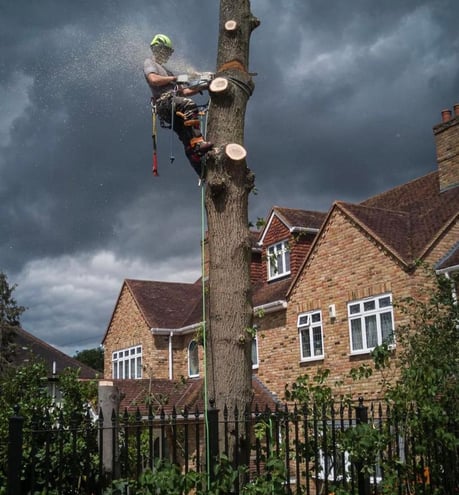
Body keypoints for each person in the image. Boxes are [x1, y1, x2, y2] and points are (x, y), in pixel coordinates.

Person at [144, 34, 212, 177]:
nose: (167, 55)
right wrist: (176, 78)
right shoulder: (150, 63)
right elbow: (153, 79)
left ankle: (201, 170)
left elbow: (183, 91)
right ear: (157, 49)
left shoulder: (168, 72)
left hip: (173, 104)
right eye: (165, 51)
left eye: (168, 53)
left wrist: (203, 86)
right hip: (165, 103)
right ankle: (199, 142)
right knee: (188, 105)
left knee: (186, 137)